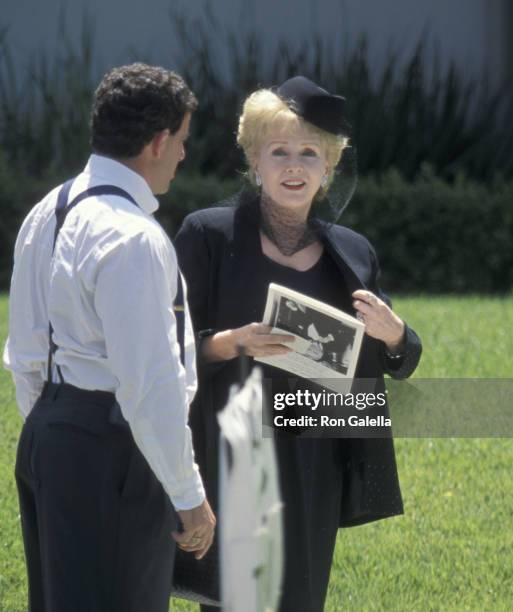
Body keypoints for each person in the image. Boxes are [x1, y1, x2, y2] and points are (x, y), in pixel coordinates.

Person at [175, 76, 422, 611]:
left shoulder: (352, 252)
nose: (294, 165)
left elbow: (396, 362)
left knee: (301, 598)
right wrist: (230, 343)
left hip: (316, 457)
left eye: (309, 153)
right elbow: (168, 349)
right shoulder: (208, 236)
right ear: (254, 162)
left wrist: (394, 334)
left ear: (328, 167)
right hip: (230, 449)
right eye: (279, 151)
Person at [3, 63, 215, 612]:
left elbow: (25, 355)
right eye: (183, 141)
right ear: (159, 141)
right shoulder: (134, 238)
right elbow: (149, 385)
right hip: (113, 448)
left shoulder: (45, 212)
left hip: (49, 435)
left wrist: (57, 429)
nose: (183, 156)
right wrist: (189, 497)